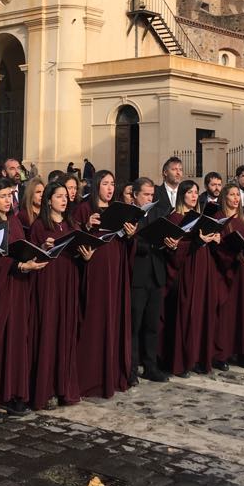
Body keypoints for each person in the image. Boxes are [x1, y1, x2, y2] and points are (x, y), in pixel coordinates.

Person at [0, 178, 45, 419]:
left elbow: (18, 246)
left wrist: (38, 250)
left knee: (15, 341)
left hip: (17, 288)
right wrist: (18, 266)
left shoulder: (13, 220)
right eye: (3, 196)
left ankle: (12, 394)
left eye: (10, 196)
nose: (8, 201)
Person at [71, 170, 133, 398]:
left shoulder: (118, 208)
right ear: (97, 185)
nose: (109, 188)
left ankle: (113, 373)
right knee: (95, 318)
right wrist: (87, 226)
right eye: (105, 183)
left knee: (114, 318)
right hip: (94, 270)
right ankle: (91, 377)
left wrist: (130, 234)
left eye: (112, 183)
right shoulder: (84, 209)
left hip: (115, 267)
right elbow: (74, 237)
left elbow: (126, 243)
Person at [28, 181, 89, 409]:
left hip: (68, 280)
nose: (64, 200)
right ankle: (46, 389)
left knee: (66, 331)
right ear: (49, 200)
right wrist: (44, 246)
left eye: (66, 196)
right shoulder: (39, 226)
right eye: (59, 196)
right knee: (49, 331)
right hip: (48, 282)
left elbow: (81, 253)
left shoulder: (72, 224)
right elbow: (33, 254)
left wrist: (87, 255)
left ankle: (65, 387)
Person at [163, 180, 219, 376]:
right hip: (186, 268)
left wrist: (213, 238)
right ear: (182, 195)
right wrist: (196, 241)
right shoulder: (175, 217)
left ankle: (197, 358)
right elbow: (171, 249)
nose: (194, 196)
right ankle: (182, 361)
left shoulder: (200, 217)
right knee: (187, 312)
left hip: (203, 264)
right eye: (190, 192)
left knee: (202, 312)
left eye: (196, 192)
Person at [127, 176, 171, 384]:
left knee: (152, 324)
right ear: (135, 195)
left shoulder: (158, 214)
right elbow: (130, 244)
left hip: (156, 273)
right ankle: (132, 369)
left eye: (152, 195)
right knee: (134, 325)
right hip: (137, 275)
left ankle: (150, 366)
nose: (149, 198)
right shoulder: (129, 215)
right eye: (146, 194)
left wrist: (170, 243)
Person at [212, 181, 244, 370]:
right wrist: (233, 255)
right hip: (227, 272)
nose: (235, 198)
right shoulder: (219, 217)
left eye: (238, 195)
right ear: (224, 197)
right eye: (232, 195)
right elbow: (217, 247)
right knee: (227, 313)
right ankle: (222, 354)